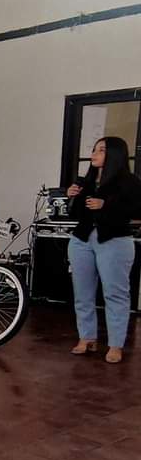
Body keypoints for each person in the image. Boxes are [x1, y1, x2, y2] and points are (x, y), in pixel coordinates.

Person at [67, 136, 141, 363]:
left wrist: (106, 205)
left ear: (115, 155)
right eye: (94, 149)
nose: (94, 154)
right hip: (82, 240)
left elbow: (137, 211)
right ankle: (86, 337)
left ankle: (116, 345)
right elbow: (77, 214)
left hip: (114, 241)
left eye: (101, 150)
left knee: (115, 293)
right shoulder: (87, 180)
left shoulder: (129, 182)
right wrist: (73, 198)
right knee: (82, 293)